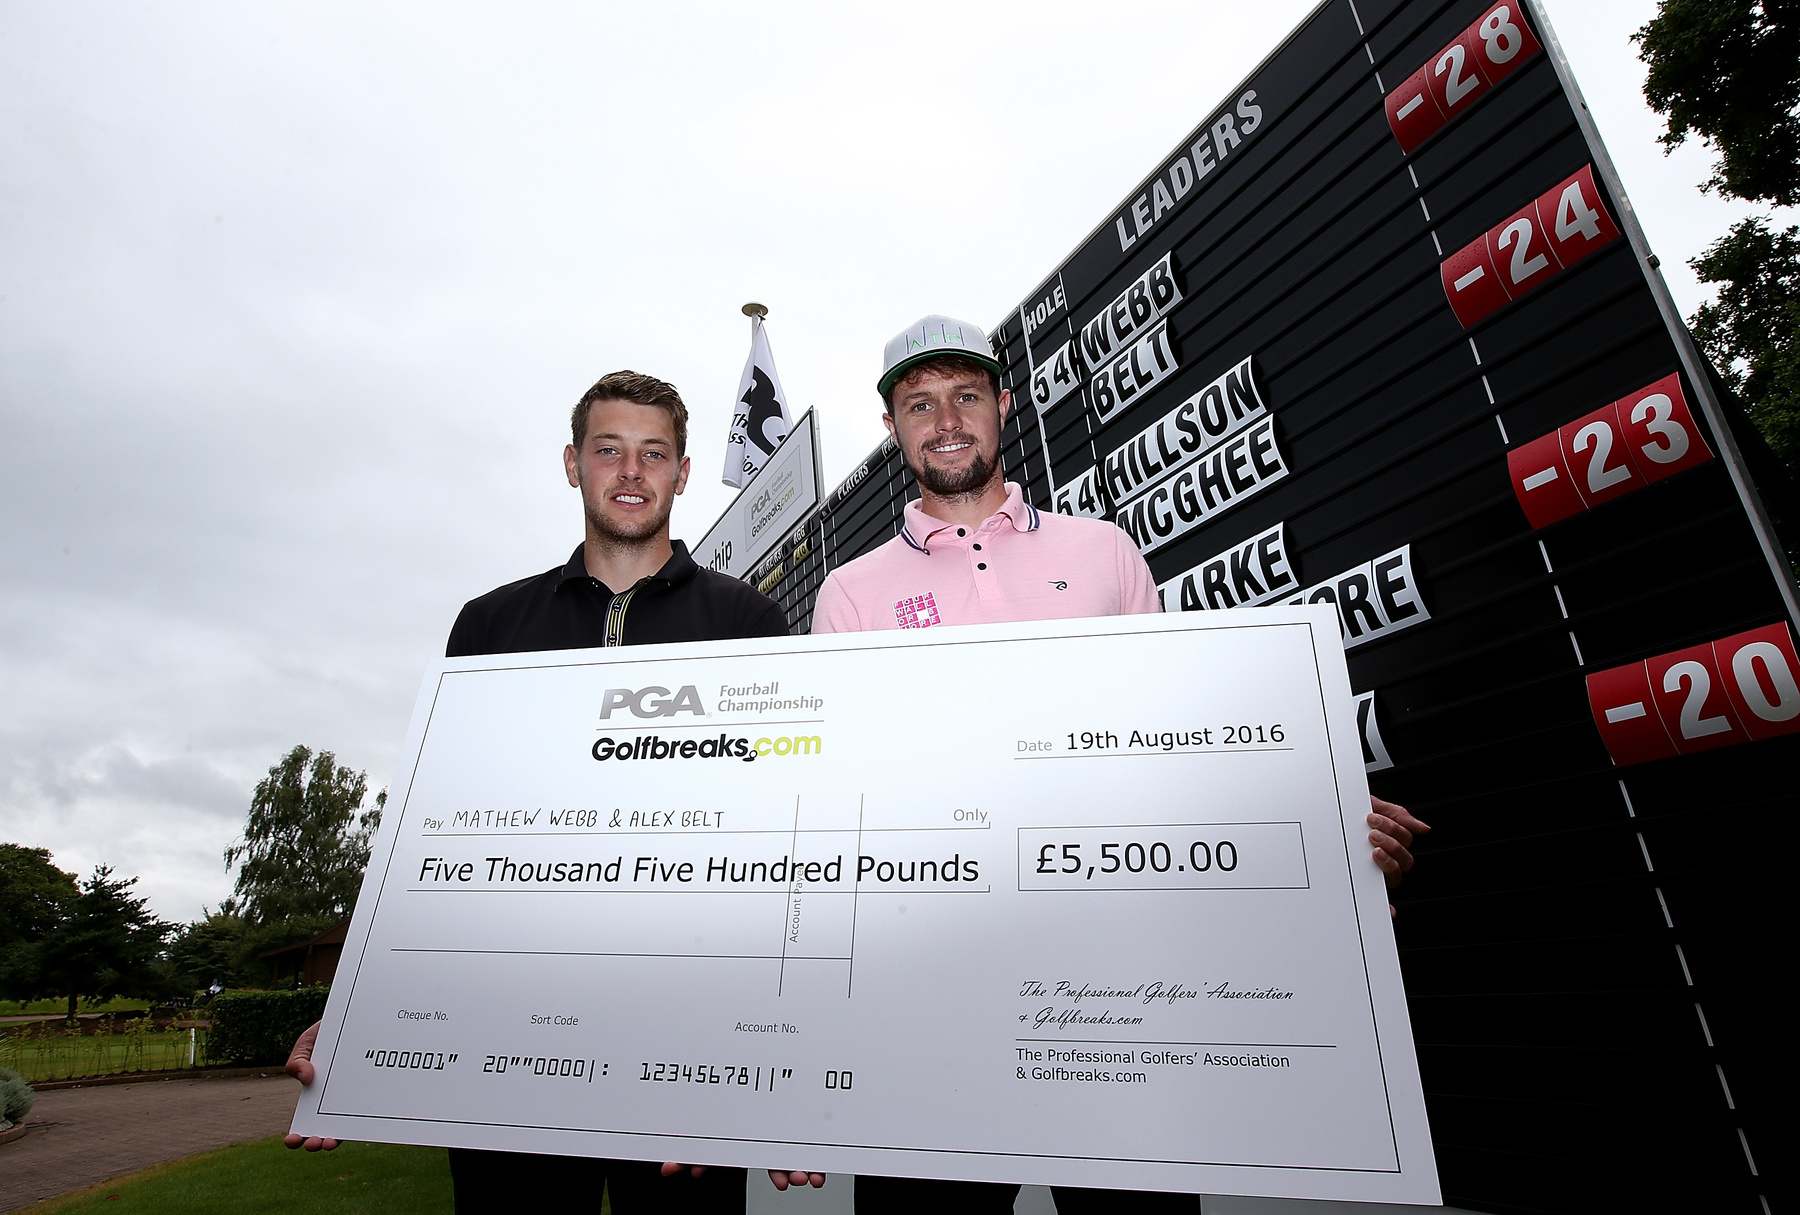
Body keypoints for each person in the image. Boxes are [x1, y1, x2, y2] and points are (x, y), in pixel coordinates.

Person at [808, 316, 1431, 1215]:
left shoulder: (1102, 549)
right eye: (919, 403)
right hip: (936, 997)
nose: (946, 418)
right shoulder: (849, 591)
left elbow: (1175, 737)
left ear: (1004, 408)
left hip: (1115, 984)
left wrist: (1315, 820)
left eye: (966, 395)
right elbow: (840, 799)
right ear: (895, 428)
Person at [283, 370, 795, 1214]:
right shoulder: (488, 625)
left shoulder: (750, 621)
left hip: (687, 1042)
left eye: (653, 453)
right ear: (572, 463)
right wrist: (359, 1003)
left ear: (684, 471)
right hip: (506, 1043)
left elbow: (780, 843)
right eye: (609, 450)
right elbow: (435, 835)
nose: (631, 472)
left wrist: (780, 1061)